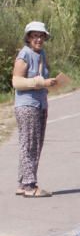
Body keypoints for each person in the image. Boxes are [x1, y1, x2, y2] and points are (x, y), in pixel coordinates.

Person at [11, 21, 58, 197]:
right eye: (35, 36)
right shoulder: (24, 54)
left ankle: (23, 183)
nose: (38, 39)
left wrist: (51, 83)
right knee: (29, 144)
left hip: (40, 104)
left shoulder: (42, 54)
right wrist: (40, 83)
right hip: (27, 105)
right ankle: (30, 186)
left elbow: (43, 77)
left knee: (33, 144)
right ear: (28, 37)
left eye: (41, 36)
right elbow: (16, 81)